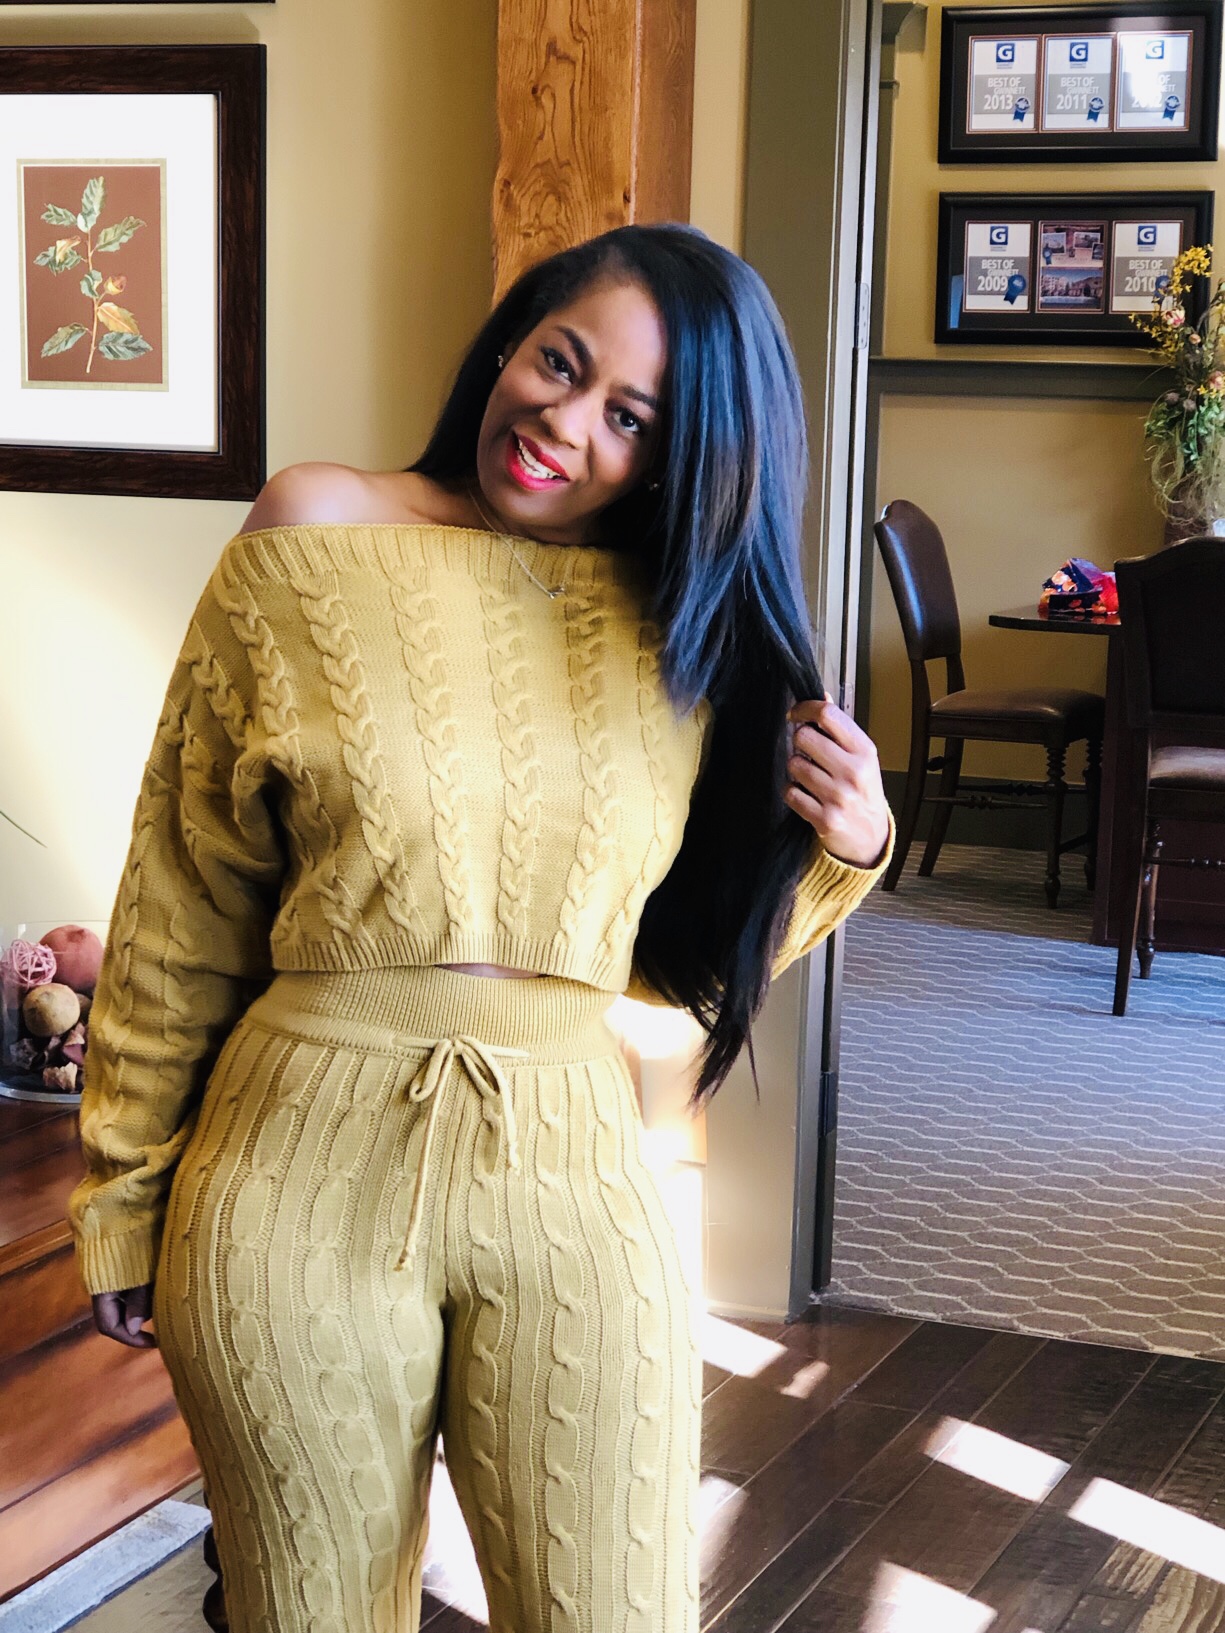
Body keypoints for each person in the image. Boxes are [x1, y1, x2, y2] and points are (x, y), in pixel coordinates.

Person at [71, 223, 892, 1633]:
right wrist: (123, 1194)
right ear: (509, 341)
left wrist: (844, 852)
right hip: (288, 1182)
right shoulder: (312, 531)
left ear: (684, 458)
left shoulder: (686, 631)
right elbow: (180, 904)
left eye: (630, 417)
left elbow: (670, 969)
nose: (564, 423)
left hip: (572, 1181)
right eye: (559, 363)